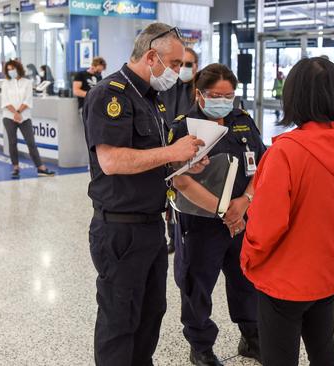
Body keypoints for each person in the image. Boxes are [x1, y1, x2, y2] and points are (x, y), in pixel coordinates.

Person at [83, 22, 205, 366]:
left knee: (151, 312)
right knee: (120, 317)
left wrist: (183, 165)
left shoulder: (153, 99)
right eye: (176, 64)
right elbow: (111, 160)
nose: (178, 72)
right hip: (120, 229)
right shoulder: (111, 94)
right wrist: (171, 153)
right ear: (152, 57)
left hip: (152, 225)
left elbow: (150, 160)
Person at [240, 57, 334, 366]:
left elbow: (266, 225)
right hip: (327, 272)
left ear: (293, 96)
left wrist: (248, 257)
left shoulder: (286, 151)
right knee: (323, 352)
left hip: (284, 280)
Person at [170, 64, 265, 366]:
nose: (223, 101)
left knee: (246, 281)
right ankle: (200, 346)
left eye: (229, 95)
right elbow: (180, 180)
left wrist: (245, 202)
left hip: (242, 218)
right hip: (201, 224)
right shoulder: (184, 127)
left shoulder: (242, 121)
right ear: (199, 94)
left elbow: (261, 166)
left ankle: (252, 337)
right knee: (197, 285)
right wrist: (227, 211)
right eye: (215, 95)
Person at [159, 46, 199, 255]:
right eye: (180, 64)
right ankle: (172, 238)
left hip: (193, 152)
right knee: (169, 198)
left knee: (189, 195)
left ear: (196, 67)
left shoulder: (199, 91)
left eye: (188, 64)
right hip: (167, 150)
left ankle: (187, 237)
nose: (183, 68)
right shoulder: (165, 87)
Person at [1, 59, 55, 179]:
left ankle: (41, 168)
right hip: (8, 117)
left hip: (24, 117)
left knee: (31, 143)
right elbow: (5, 101)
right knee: (12, 142)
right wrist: (15, 113)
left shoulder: (27, 82)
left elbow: (28, 100)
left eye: (12, 69)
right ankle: (15, 167)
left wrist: (19, 112)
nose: (11, 71)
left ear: (18, 68)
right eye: (8, 70)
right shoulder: (5, 83)